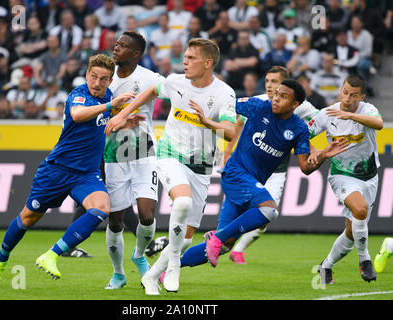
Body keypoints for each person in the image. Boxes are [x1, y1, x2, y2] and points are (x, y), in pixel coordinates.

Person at [0, 54, 139, 287]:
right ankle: (0, 262)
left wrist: (124, 122)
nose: (97, 82)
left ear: (109, 81)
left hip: (86, 174)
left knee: (101, 208)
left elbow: (103, 123)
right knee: (27, 219)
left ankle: (52, 254)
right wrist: (111, 106)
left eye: (104, 79)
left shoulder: (107, 96)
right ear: (87, 75)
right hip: (56, 171)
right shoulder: (78, 95)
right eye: (94, 76)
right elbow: (78, 116)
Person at [105, 38, 237, 295]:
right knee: (183, 203)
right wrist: (122, 114)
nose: (184, 62)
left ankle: (152, 277)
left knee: (186, 238)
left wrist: (207, 122)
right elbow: (152, 91)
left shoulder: (224, 93)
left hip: (201, 165)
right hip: (169, 154)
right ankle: (173, 264)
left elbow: (231, 132)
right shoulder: (175, 81)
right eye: (184, 57)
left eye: (190, 58)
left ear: (207, 63)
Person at [180, 80, 348, 272]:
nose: (276, 98)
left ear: (295, 105)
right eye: (276, 93)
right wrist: (202, 111)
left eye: (283, 97)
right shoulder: (258, 106)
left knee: (225, 247)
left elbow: (305, 167)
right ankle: (216, 238)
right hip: (235, 173)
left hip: (251, 183)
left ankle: (168, 268)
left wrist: (323, 155)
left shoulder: (299, 129)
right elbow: (227, 103)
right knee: (270, 211)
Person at [224, 66, 320, 264]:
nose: (269, 86)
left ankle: (236, 247)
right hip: (249, 167)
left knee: (268, 215)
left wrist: (306, 142)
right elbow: (239, 122)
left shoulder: (302, 107)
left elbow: (320, 121)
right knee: (247, 209)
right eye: (267, 81)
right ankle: (223, 239)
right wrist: (228, 151)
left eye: (274, 82)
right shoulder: (260, 103)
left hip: (277, 170)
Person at [103, 31, 165, 289]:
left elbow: (177, 92)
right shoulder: (104, 78)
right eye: (116, 44)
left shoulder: (150, 78)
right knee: (115, 221)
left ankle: (139, 254)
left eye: (123, 46)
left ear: (136, 54)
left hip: (144, 151)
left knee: (147, 215)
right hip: (114, 154)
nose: (116, 48)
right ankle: (118, 273)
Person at [313, 75, 383, 284]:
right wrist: (313, 150)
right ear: (340, 90)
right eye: (345, 92)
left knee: (352, 232)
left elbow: (379, 124)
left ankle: (326, 266)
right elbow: (302, 133)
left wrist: (350, 116)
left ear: (361, 97)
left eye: (353, 95)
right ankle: (365, 260)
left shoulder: (368, 110)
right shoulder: (327, 114)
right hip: (341, 175)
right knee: (360, 209)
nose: (347, 98)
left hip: (369, 176)